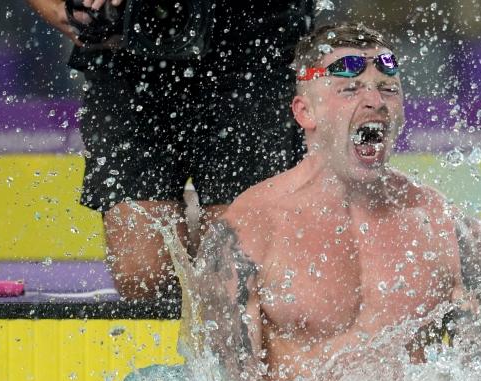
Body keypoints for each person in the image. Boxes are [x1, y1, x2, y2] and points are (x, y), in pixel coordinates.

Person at [191, 21, 481, 381]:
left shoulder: (450, 232)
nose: (375, 101)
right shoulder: (248, 233)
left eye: (388, 88)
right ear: (305, 111)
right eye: (350, 89)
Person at [24, 0, 313, 299]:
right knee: (144, 279)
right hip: (129, 50)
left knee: (236, 280)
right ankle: (190, 226)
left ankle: (198, 228)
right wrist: (56, 6)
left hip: (250, 50)